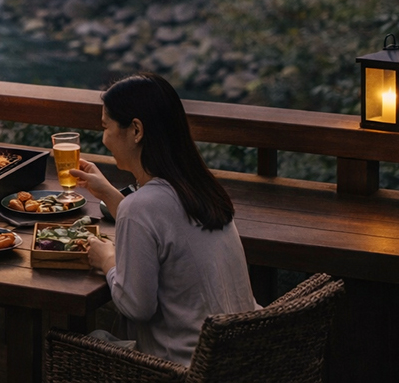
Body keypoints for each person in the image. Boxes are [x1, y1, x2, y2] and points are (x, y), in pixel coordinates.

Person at [68, 72, 257, 367]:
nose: (104, 138)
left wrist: (107, 259)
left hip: (182, 369)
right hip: (236, 360)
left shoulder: (143, 207)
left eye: (106, 127)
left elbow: (136, 305)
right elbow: (161, 225)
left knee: (79, 344)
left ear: (136, 131)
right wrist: (108, 194)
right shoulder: (200, 187)